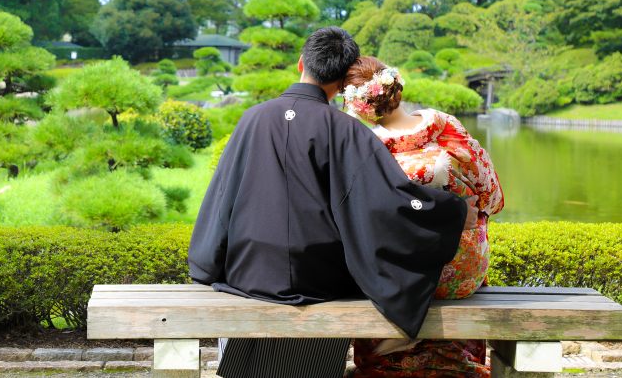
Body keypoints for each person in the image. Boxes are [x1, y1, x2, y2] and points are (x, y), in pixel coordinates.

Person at [188, 27, 479, 378]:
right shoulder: (346, 129)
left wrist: (206, 263)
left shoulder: (253, 117)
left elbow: (224, 194)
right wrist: (454, 212)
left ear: (301, 63)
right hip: (320, 280)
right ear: (343, 82)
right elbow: (390, 201)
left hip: (249, 273)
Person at [341, 56, 505, 378]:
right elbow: (493, 195)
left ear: (358, 106)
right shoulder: (444, 125)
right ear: (395, 86)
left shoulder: (366, 148)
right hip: (461, 272)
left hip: (397, 277)